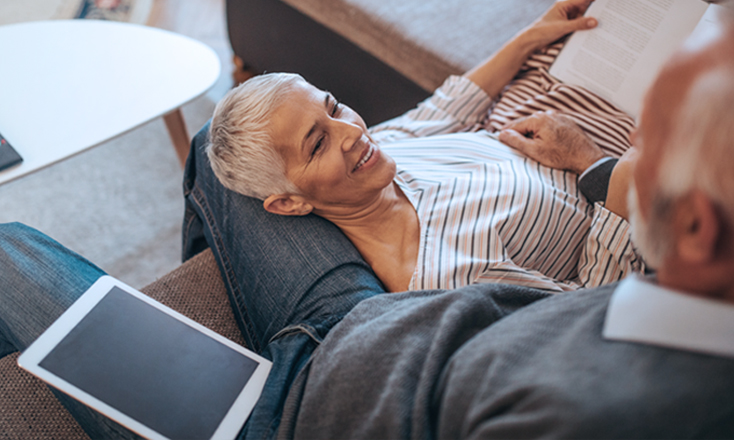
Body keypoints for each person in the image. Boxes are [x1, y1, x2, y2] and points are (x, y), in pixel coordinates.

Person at [0, 3, 734, 440]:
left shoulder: (591, 384)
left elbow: (570, 295)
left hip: (311, 392)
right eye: (327, 125)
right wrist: (534, 46)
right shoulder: (390, 151)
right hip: (351, 333)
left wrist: (600, 179)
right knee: (219, 138)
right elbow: (442, 112)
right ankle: (225, 283)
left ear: (694, 228)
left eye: (648, 145)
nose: (355, 131)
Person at [206, 0, 643, 294]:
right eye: (317, 144)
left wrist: (534, 34)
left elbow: (446, 109)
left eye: (334, 107)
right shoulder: (447, 275)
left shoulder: (379, 157)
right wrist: (604, 173)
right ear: (288, 204)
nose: (353, 132)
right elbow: (586, 312)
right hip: (626, 188)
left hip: (560, 114)